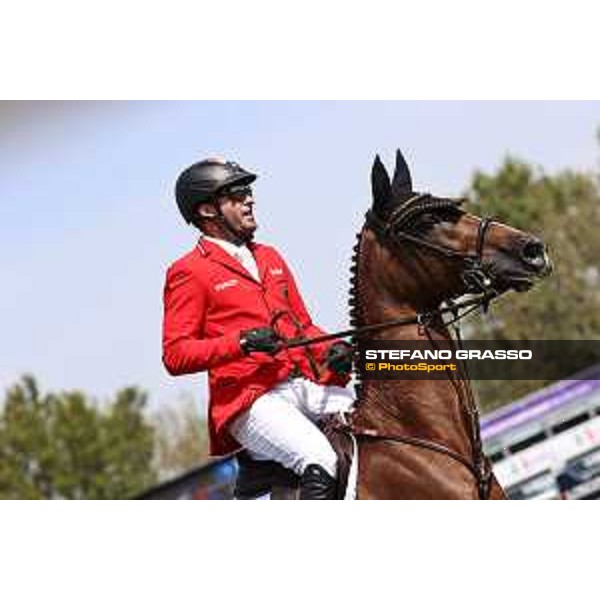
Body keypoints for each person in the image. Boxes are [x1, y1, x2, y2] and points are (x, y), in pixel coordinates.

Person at [162, 157, 355, 499]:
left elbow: (302, 326)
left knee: (376, 426)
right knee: (321, 458)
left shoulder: (270, 257)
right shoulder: (188, 271)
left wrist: (332, 351)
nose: (250, 199)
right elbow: (175, 354)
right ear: (208, 211)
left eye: (248, 191)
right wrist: (242, 342)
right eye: (237, 194)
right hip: (250, 401)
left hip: (304, 383)